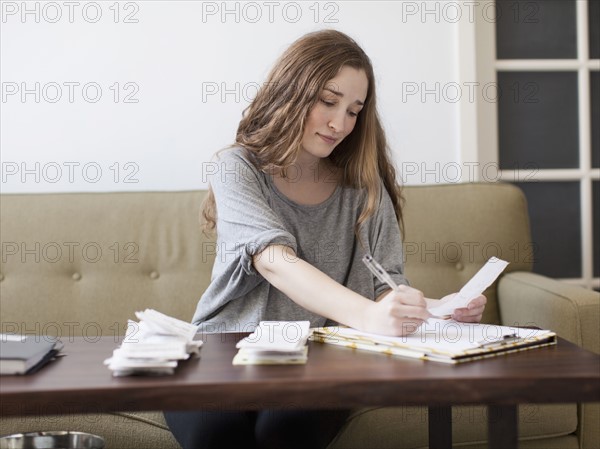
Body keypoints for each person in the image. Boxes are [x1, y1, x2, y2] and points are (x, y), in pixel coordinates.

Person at [164, 29, 486, 449]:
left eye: (354, 110)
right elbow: (273, 259)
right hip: (224, 348)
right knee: (217, 434)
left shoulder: (364, 188)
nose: (340, 123)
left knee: (284, 431)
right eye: (328, 101)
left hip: (323, 360)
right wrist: (370, 315)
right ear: (290, 91)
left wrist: (438, 310)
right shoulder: (235, 167)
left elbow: (385, 287)